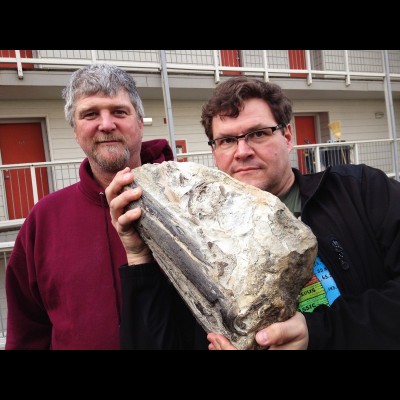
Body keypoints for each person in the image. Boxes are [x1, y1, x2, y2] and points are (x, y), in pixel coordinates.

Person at [106, 76, 400, 350]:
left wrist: (319, 331)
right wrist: (139, 257)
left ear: (286, 137)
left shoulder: (359, 191)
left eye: (258, 134)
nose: (242, 151)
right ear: (214, 151)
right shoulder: (193, 237)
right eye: (227, 140)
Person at [5, 64, 174, 349]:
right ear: (74, 130)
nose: (106, 125)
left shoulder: (185, 201)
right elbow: (27, 332)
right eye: (90, 114)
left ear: (140, 123)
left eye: (119, 112)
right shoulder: (43, 221)